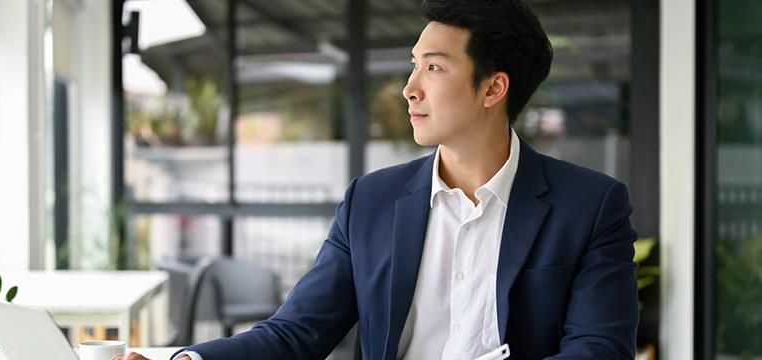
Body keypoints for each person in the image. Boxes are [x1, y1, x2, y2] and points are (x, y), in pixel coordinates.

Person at [118, 0, 638, 358]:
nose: (409, 89)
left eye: (433, 68)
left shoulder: (590, 206)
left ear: (493, 88)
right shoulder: (371, 201)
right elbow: (297, 333)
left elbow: (600, 349)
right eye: (413, 67)